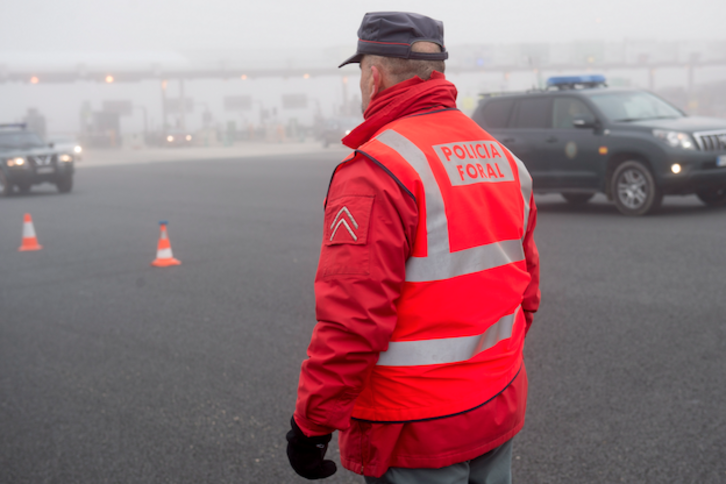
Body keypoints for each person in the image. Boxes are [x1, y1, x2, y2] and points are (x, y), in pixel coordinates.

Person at [286, 11, 541, 484]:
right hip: (498, 402)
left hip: (414, 424)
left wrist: (312, 424)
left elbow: (352, 323)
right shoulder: (505, 161)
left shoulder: (378, 171)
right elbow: (526, 293)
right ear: (437, 74)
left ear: (373, 74)